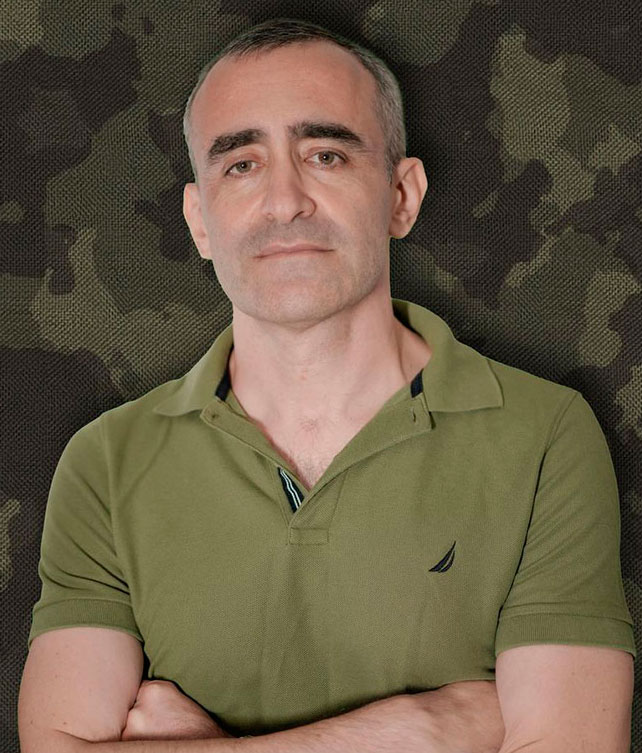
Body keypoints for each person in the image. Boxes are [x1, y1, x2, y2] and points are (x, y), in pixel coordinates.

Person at [18, 17, 635, 753]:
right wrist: (421, 730)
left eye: (326, 155)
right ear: (199, 220)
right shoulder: (106, 462)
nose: (285, 201)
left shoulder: (545, 434)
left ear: (401, 195)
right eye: (240, 165)